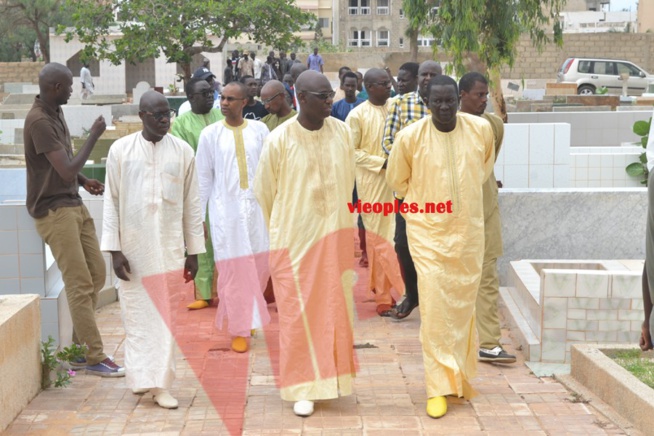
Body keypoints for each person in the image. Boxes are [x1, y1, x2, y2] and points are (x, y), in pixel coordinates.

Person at [386, 75, 494, 418]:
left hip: (468, 234)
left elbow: (481, 170)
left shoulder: (481, 131)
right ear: (426, 102)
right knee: (433, 310)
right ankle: (437, 387)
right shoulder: (410, 138)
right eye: (438, 102)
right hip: (428, 235)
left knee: (461, 309)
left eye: (451, 101)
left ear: (459, 100)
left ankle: (457, 380)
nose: (445, 107)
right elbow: (397, 182)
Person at [254, 70, 356, 418]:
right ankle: (301, 388)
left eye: (331, 95)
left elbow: (347, 184)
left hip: (335, 241)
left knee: (332, 312)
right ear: (301, 97)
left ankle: (331, 383)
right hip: (295, 244)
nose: (330, 100)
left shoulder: (343, 132)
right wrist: (286, 232)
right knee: (298, 316)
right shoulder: (279, 140)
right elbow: (264, 194)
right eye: (322, 96)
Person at [102, 90, 205, 409]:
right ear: (142, 116)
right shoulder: (121, 150)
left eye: (168, 115)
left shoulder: (183, 151)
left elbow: (192, 204)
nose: (165, 120)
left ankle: (160, 384)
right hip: (133, 251)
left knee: (164, 317)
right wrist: (114, 250)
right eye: (158, 115)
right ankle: (140, 378)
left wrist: (194, 251)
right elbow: (111, 201)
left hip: (170, 247)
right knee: (135, 316)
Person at [24, 62, 124, 377]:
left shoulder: (55, 112)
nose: (72, 89)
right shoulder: (39, 120)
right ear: (56, 88)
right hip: (54, 212)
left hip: (72, 202)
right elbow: (63, 168)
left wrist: (82, 181)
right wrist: (94, 136)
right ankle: (94, 355)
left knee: (95, 274)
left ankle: (80, 351)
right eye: (68, 85)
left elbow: (64, 167)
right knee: (80, 283)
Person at [196, 82, 271, 353]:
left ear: (245, 102)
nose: (224, 103)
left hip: (257, 210)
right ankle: (239, 328)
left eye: (230, 99)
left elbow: (271, 171)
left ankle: (248, 315)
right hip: (225, 212)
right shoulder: (210, 135)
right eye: (222, 98)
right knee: (232, 269)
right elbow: (203, 178)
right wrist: (198, 218)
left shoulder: (260, 131)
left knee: (260, 266)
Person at [458, 72, 516, 364]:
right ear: (462, 95)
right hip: (455, 217)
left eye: (485, 95)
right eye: (478, 95)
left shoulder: (494, 125)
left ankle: (490, 343)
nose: (484, 100)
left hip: (486, 212)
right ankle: (456, 343)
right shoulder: (448, 126)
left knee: (488, 279)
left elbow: (487, 164)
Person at [381, 60, 442, 320]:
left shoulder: (448, 103)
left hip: (441, 191)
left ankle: (436, 298)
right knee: (403, 245)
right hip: (407, 191)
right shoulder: (400, 103)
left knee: (437, 245)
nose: (428, 78)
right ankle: (413, 295)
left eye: (433, 74)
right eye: (424, 74)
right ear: (417, 78)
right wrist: (413, 163)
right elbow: (387, 143)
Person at [345, 68, 404, 317]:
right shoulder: (356, 116)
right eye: (382, 83)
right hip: (372, 183)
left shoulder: (397, 108)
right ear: (368, 86)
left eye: (388, 82)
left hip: (398, 182)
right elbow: (351, 151)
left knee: (395, 237)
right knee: (379, 239)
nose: (388, 87)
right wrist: (381, 162)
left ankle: (386, 291)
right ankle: (390, 293)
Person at [170, 77, 225, 310]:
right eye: (203, 93)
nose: (210, 96)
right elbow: (181, 156)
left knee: (223, 239)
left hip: (223, 188)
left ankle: (225, 290)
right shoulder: (181, 124)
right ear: (191, 97)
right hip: (197, 189)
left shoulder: (221, 118)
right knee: (200, 240)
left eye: (211, 92)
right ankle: (204, 293)